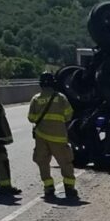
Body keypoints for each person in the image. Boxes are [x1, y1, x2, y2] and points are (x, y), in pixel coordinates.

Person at [27, 71, 78, 200]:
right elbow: (69, 115)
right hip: (58, 137)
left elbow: (31, 118)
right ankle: (69, 188)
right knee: (65, 162)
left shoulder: (36, 99)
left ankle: (48, 188)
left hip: (41, 137)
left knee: (43, 163)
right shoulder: (60, 97)